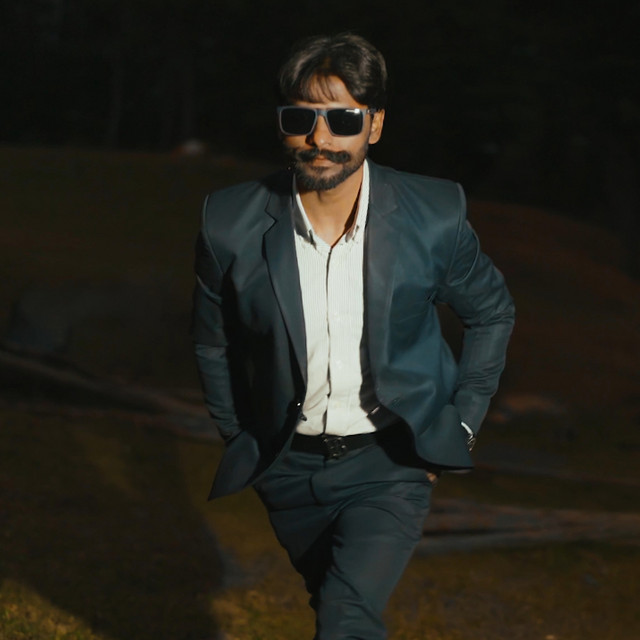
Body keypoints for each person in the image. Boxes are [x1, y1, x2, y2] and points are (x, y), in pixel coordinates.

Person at [191, 32, 515, 640]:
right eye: (301, 119)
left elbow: (492, 312)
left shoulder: (433, 214)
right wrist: (240, 435)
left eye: (342, 119)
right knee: (337, 608)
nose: (320, 138)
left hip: (390, 463)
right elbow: (214, 342)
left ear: (375, 125)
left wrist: (462, 424)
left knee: (346, 617)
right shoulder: (229, 223)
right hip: (288, 469)